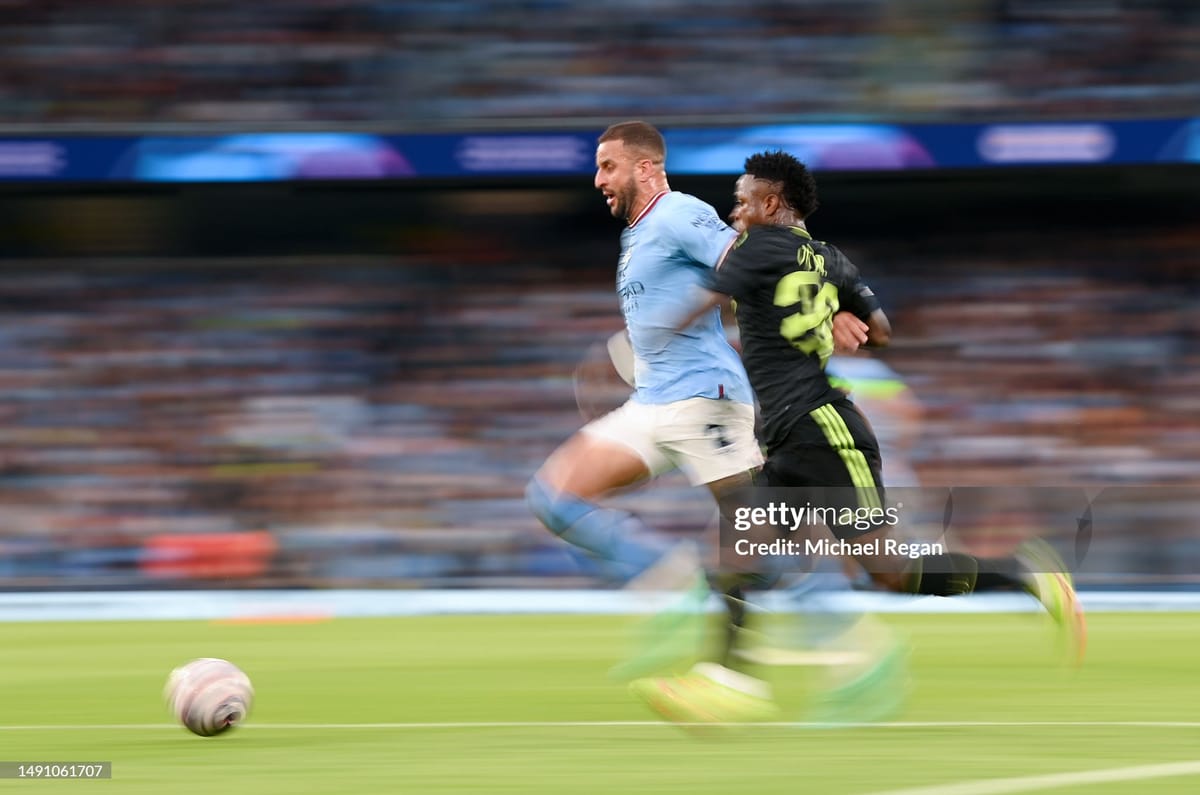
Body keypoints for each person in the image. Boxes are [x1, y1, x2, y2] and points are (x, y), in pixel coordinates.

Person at [630, 150, 1086, 725]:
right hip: (793, 433)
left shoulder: (757, 248)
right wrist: (832, 319)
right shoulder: (831, 258)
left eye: (742, 202)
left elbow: (705, 300)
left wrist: (650, 339)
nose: (734, 213)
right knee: (737, 548)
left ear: (772, 203)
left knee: (890, 571)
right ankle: (728, 683)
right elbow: (882, 332)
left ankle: (1023, 575)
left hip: (821, 431)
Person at [525, 121, 765, 682]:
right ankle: (674, 578)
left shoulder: (679, 212)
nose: (598, 179)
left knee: (749, 530)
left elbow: (750, 266)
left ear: (646, 167)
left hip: (707, 400)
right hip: (653, 402)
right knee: (554, 497)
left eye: (607, 166)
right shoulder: (637, 235)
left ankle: (739, 669)